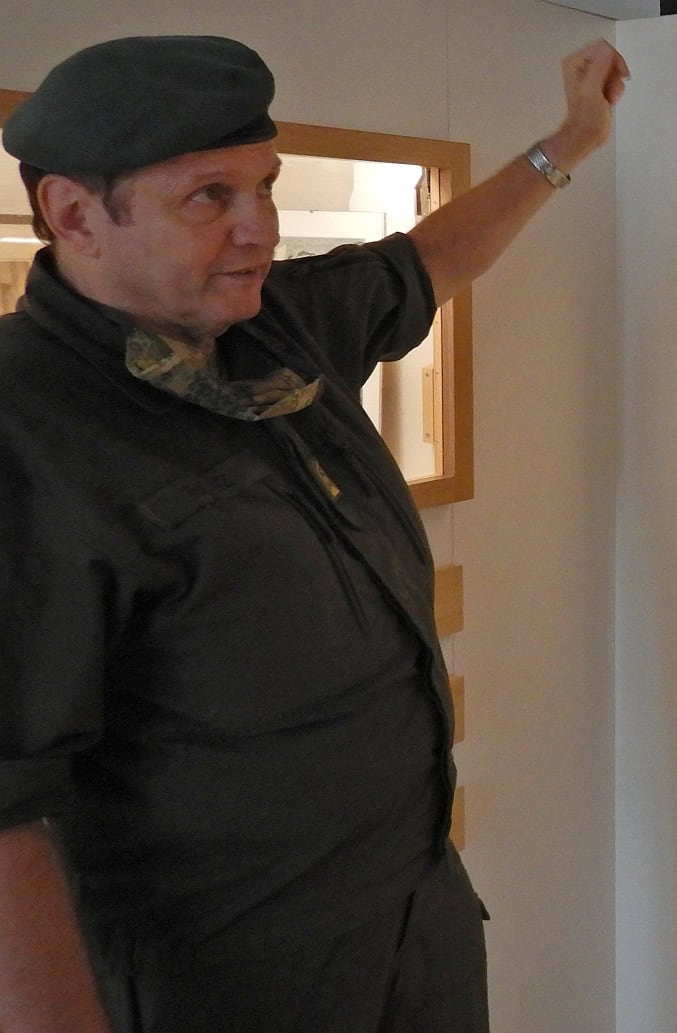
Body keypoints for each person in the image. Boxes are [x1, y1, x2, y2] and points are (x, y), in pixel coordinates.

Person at [0, 34, 628, 1033]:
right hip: (226, 988)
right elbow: (8, 815)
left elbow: (429, 260)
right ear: (75, 214)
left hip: (414, 930)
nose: (259, 228)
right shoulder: (25, 429)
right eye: (209, 197)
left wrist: (570, 142)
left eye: (266, 186)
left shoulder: (267, 322)